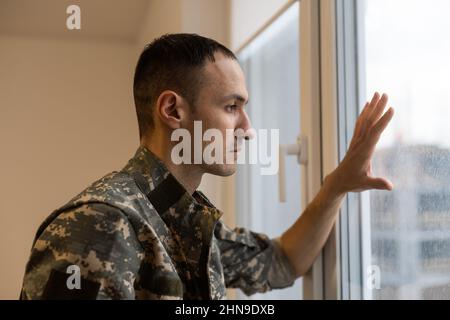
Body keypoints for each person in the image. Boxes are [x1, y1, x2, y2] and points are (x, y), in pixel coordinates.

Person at [20, 33, 394, 300]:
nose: (248, 130)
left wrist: (336, 186)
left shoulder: (186, 219)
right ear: (173, 111)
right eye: (232, 107)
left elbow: (282, 263)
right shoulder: (100, 223)